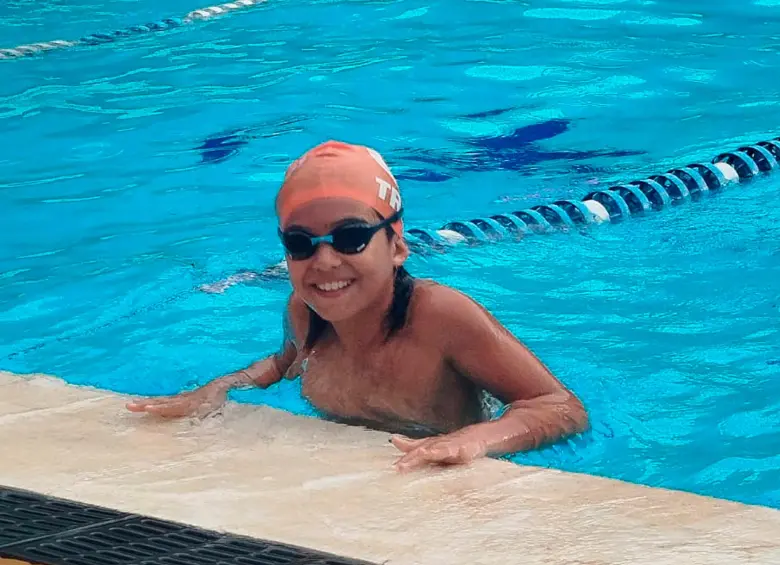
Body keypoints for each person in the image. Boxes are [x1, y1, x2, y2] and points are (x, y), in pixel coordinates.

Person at [126, 140, 589, 472]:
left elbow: (559, 406)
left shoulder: (441, 317)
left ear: (396, 245)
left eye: (350, 237)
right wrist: (221, 388)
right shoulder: (304, 312)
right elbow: (286, 363)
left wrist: (471, 441)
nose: (325, 261)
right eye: (301, 243)